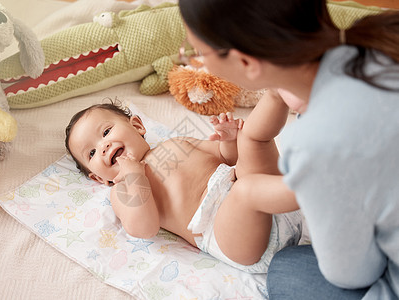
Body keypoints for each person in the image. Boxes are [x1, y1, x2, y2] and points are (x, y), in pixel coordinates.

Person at [178, 0, 399, 299]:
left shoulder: (312, 143)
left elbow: (352, 273)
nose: (195, 61)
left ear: (246, 63)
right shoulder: (383, 35)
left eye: (198, 54)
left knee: (286, 271)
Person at [65, 95, 302, 274]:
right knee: (244, 190)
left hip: (268, 201)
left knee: (252, 137)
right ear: (98, 177)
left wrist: (229, 140)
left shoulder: (176, 143)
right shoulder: (122, 190)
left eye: (106, 131)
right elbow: (143, 227)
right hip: (235, 238)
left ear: (137, 126)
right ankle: (314, 187)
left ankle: (278, 92)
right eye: (92, 152)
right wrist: (134, 177)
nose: (104, 146)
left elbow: (226, 157)